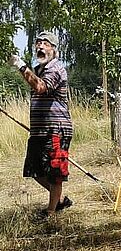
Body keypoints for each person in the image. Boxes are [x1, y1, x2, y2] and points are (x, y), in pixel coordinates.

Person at [8, 31, 74, 218]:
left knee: (55, 172)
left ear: (53, 49)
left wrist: (21, 65)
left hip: (56, 129)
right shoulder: (38, 70)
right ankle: (59, 199)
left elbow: (40, 87)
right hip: (39, 130)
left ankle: (51, 211)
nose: (40, 47)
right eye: (38, 43)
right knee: (34, 170)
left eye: (45, 44)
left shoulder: (56, 68)